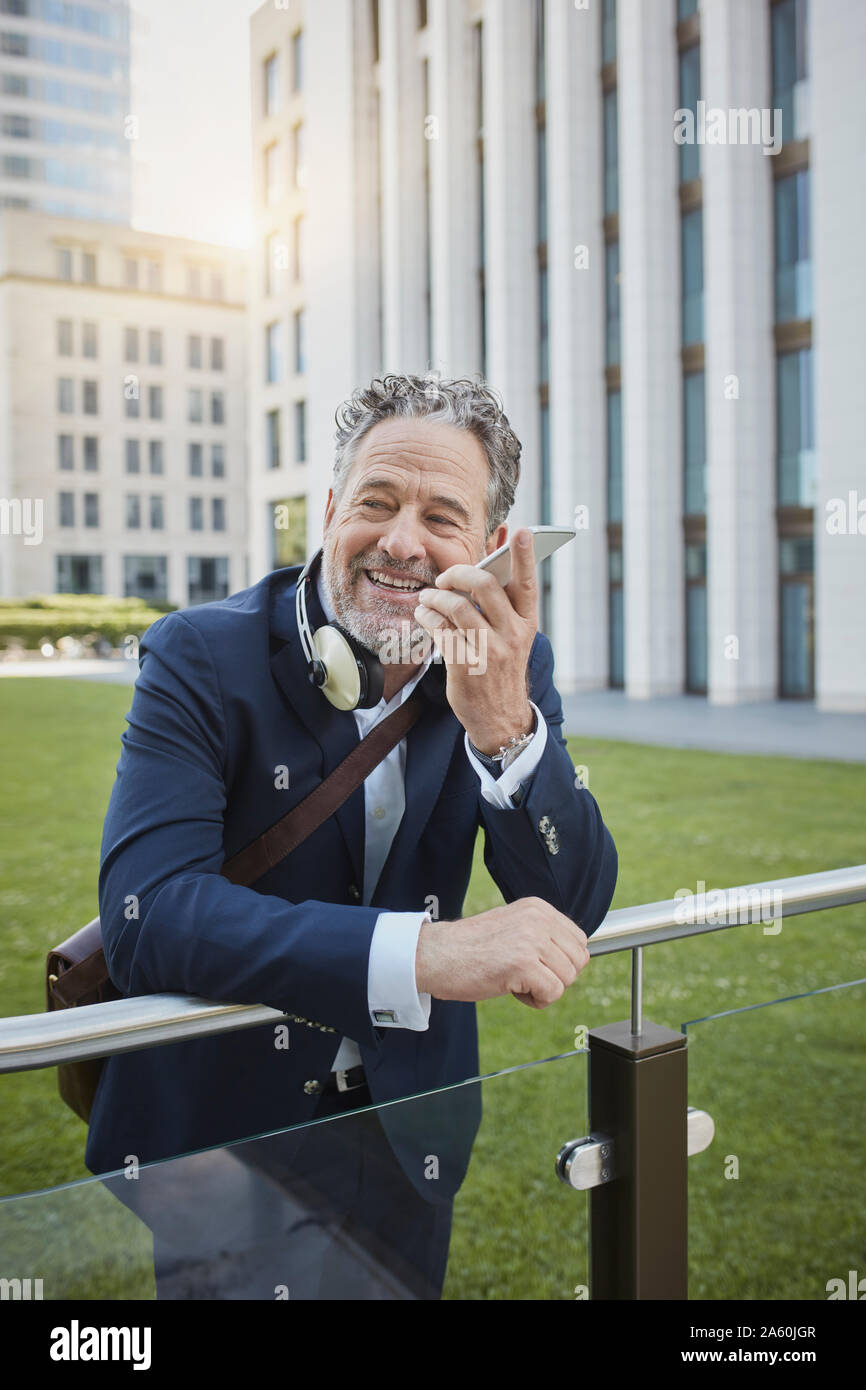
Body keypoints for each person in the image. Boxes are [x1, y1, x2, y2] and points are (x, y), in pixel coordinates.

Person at [86, 373, 617, 1299]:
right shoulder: (200, 654)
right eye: (376, 502)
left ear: (490, 550)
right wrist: (423, 955)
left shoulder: (507, 661)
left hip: (410, 1125)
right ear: (331, 510)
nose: (402, 541)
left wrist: (505, 727)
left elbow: (573, 903)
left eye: (442, 517)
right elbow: (151, 915)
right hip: (224, 1141)